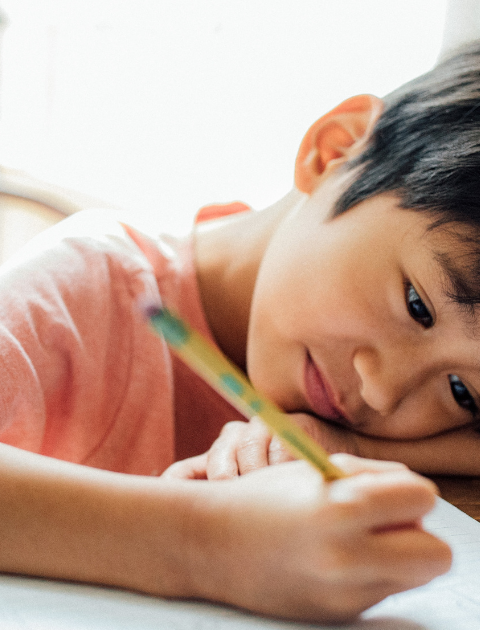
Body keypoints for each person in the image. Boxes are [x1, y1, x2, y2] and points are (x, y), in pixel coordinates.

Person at [4, 41, 480, 625]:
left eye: (462, 392)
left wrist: (354, 448)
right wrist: (207, 543)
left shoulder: (345, 414)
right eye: (417, 306)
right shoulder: (85, 292)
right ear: (336, 150)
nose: (381, 391)